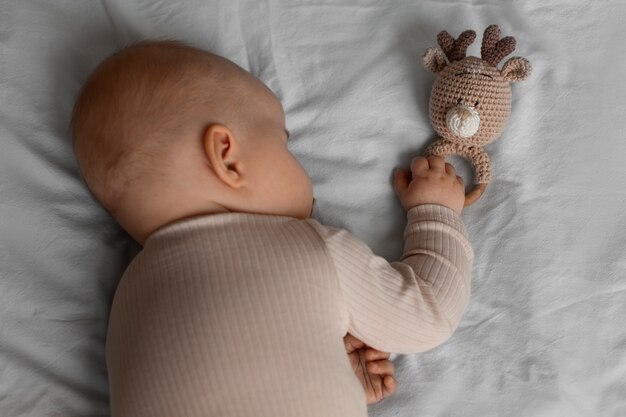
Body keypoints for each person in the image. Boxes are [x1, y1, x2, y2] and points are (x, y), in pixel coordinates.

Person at [71, 41, 473, 417]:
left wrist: (328, 371)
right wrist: (436, 209)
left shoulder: (126, 301)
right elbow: (427, 313)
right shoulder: (309, 245)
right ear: (227, 158)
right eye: (284, 144)